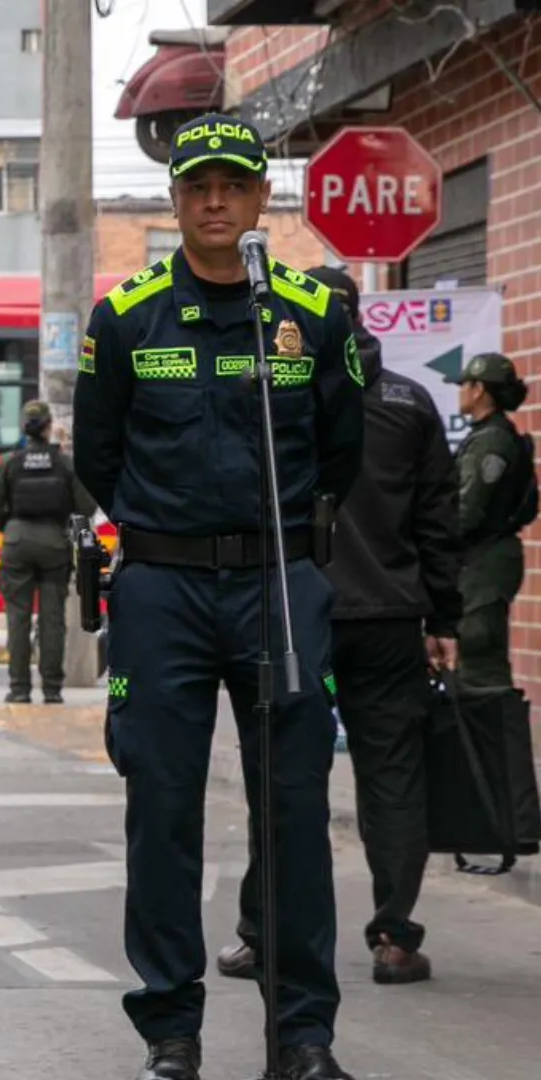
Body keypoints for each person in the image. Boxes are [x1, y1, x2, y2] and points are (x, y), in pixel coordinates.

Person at [72, 113, 365, 1080]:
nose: (213, 202)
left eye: (232, 186)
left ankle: (304, 1036)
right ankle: (172, 1030)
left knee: (295, 812)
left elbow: (344, 452)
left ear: (260, 200)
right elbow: (99, 456)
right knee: (162, 809)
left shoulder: (313, 316)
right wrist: (172, 537)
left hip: (280, 583)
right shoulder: (126, 318)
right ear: (175, 198)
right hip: (163, 589)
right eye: (196, 186)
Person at [215, 264, 460, 989]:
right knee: (393, 776)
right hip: (389, 617)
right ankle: (394, 938)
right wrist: (444, 616)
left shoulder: (272, 397)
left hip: (295, 613)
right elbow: (438, 519)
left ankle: (264, 935)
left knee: (284, 774)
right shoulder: (410, 402)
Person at [0, 400, 97, 704]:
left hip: (17, 543)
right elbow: (87, 506)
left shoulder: (8, 462)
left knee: (17, 618)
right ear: (48, 428)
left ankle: (19, 689)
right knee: (52, 620)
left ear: (24, 428)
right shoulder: (65, 464)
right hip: (54, 544)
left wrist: (12, 527)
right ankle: (52, 690)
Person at [445, 351, 534, 691]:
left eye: (464, 385)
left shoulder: (492, 441)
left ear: (479, 389)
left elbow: (467, 511)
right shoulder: (486, 436)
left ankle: (494, 726)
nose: (460, 392)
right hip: (482, 560)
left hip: (486, 562)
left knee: (480, 663)